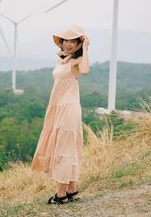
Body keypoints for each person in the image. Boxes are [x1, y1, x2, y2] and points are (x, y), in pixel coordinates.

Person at [31, 24, 90, 204]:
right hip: (58, 107)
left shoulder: (77, 62)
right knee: (67, 148)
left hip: (69, 108)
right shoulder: (63, 60)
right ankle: (72, 191)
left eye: (73, 40)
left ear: (79, 42)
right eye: (65, 40)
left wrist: (86, 48)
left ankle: (61, 194)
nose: (68, 44)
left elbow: (86, 70)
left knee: (64, 149)